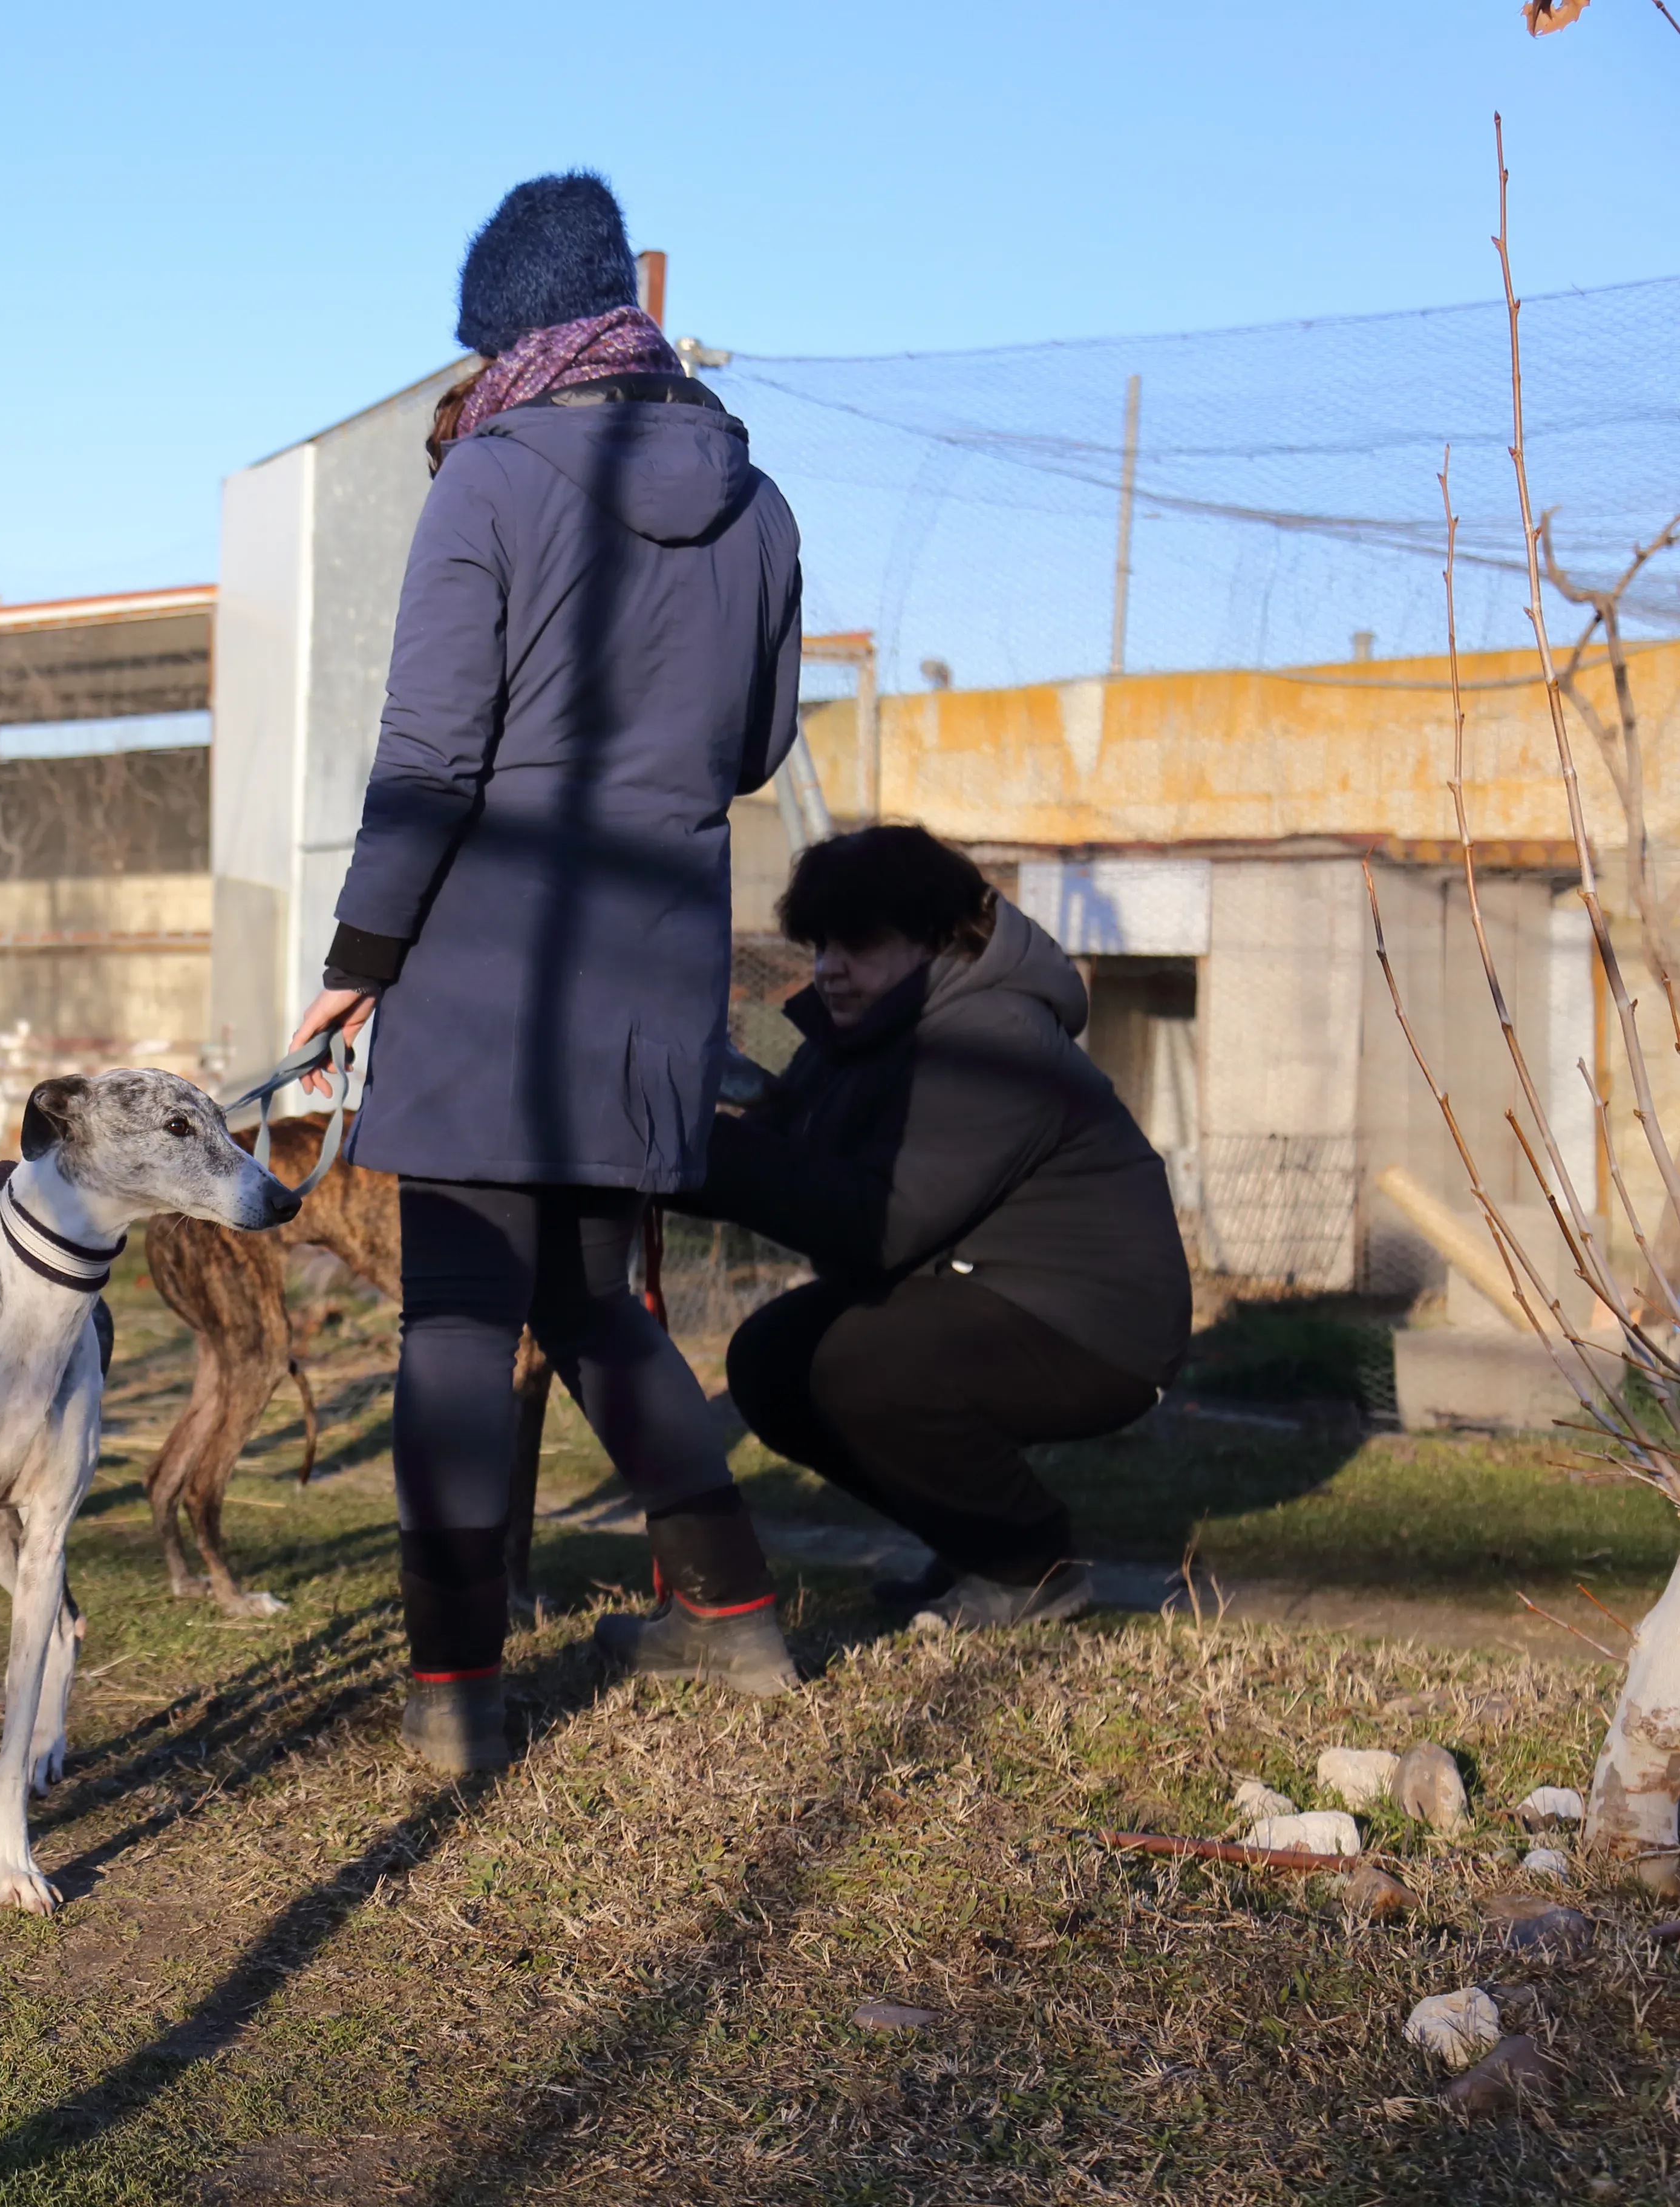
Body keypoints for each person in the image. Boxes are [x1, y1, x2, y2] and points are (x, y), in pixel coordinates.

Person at [289, 169, 808, 1776]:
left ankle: (456, 1693)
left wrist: (359, 959)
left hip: (487, 966)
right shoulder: (758, 501)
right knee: (595, 1302)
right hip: (653, 964)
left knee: (459, 1318)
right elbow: (756, 746)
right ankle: (737, 1617)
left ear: (514, 333)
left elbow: (431, 754)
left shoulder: (493, 478)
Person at [684, 825, 1191, 1626]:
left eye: (858, 943)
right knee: (772, 1361)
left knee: (858, 1363)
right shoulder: (869, 1032)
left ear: (936, 938)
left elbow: (880, 1221)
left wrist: (701, 1149)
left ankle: (1029, 1567)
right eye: (819, 944)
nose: (828, 967)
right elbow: (786, 1144)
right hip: (984, 1295)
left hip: (1096, 1332)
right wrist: (665, 1146)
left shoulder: (993, 1039)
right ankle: (975, 1546)